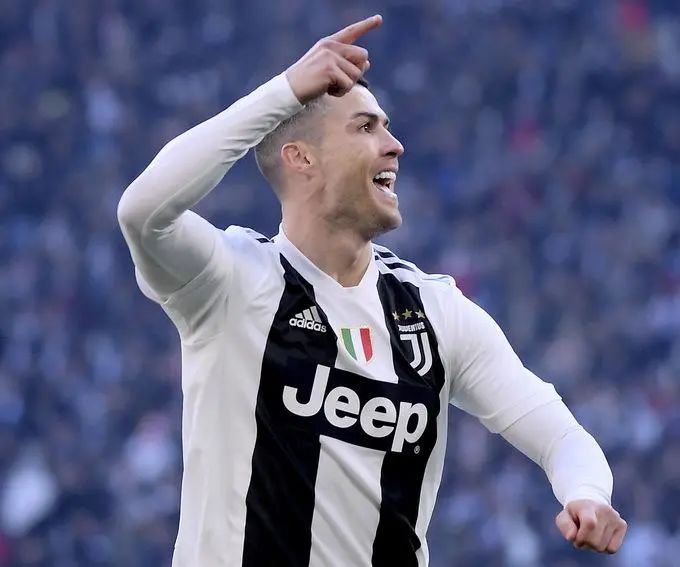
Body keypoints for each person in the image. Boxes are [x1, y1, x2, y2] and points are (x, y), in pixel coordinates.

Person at [117, 14, 627, 567]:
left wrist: (586, 494)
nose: (395, 145)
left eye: (386, 127)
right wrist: (285, 91)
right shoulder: (230, 282)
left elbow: (561, 438)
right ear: (301, 157)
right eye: (365, 128)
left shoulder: (435, 313)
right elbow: (143, 211)